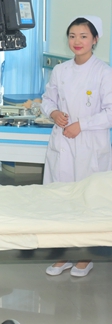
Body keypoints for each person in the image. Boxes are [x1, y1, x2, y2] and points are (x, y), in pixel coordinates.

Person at [40, 16, 112, 277]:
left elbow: (110, 112)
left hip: (89, 144)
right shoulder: (61, 70)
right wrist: (54, 113)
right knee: (61, 200)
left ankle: (84, 256)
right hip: (63, 142)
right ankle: (63, 253)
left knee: (86, 201)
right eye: (72, 36)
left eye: (83, 36)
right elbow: (47, 99)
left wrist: (81, 125)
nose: (77, 41)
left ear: (95, 39)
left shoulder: (103, 72)